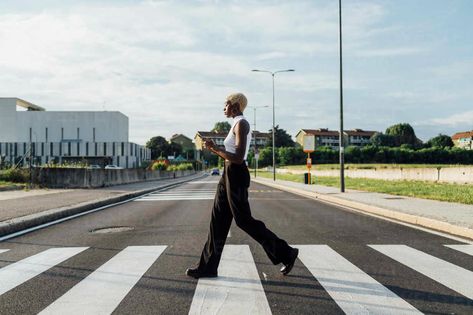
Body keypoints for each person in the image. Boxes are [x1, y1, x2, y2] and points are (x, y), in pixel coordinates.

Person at [186, 92, 298, 279]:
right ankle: (208, 267)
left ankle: (286, 253)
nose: (224, 107)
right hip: (227, 173)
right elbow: (230, 155)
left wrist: (215, 148)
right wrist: (217, 150)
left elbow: (238, 157)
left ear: (236, 106)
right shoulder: (235, 124)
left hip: (236, 174)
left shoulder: (242, 124)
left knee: (243, 220)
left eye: (227, 104)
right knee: (218, 221)